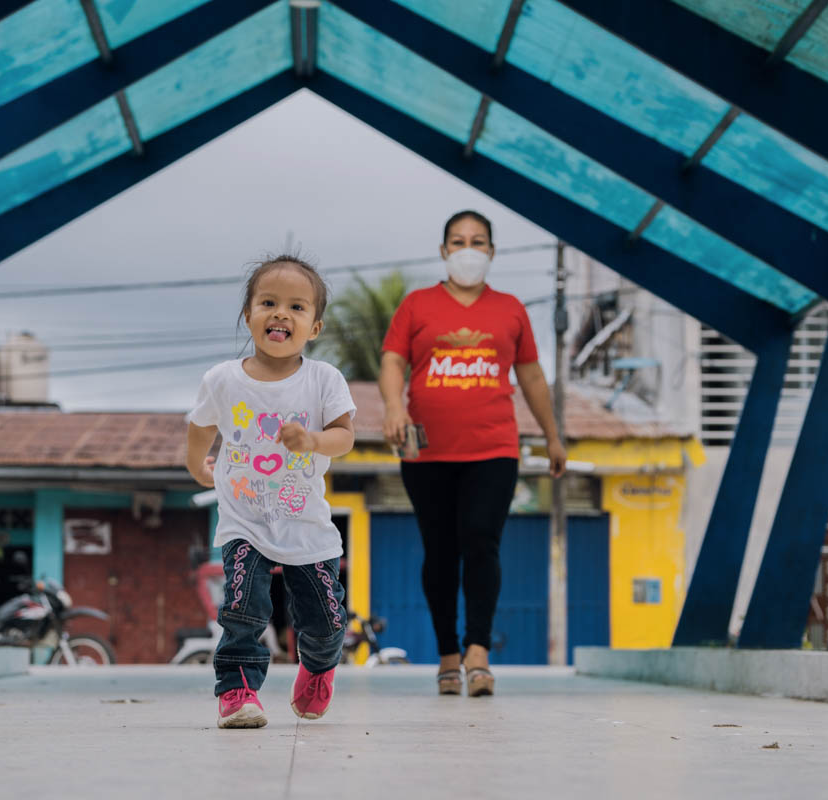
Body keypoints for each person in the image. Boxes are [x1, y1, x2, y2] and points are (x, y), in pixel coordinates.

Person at [379, 211, 566, 697]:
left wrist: (553, 435)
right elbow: (393, 360)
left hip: (494, 448)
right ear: (443, 251)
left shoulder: (510, 309)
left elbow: (530, 377)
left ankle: (478, 651)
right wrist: (394, 407)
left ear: (491, 252)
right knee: (440, 552)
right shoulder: (417, 305)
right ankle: (447, 655)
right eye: (458, 241)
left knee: (481, 541)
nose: (468, 249)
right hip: (427, 452)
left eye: (478, 241)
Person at [186, 255, 356, 729]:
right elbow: (200, 429)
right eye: (268, 302)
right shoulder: (222, 380)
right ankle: (237, 690)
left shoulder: (324, 380)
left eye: (296, 307)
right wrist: (197, 467)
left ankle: (319, 667)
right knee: (243, 606)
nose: (281, 314)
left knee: (326, 620)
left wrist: (315, 440)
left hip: (305, 524)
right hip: (246, 519)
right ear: (249, 316)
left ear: (314, 326)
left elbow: (345, 435)